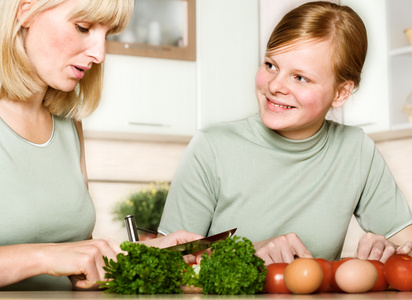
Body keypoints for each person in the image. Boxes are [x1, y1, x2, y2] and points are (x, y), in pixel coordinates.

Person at [158, 1, 412, 264]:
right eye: (271, 65)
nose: (275, 85)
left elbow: (407, 242)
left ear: (340, 93)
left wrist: (388, 248)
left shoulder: (356, 150)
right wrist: (247, 252)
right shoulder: (211, 147)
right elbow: (167, 262)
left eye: (300, 77)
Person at [0, 0, 203, 291]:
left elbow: (79, 263)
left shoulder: (68, 125)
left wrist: (150, 253)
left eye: (107, 36)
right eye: (83, 28)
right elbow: (59, 257)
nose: (99, 54)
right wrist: (44, 256)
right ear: (26, 9)